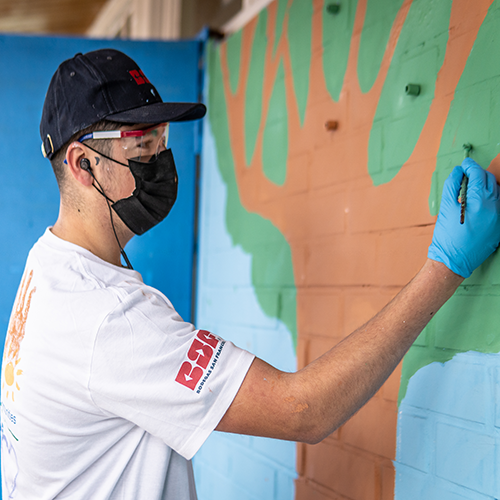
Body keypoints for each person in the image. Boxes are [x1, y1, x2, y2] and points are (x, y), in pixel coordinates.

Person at [1, 48, 499, 500]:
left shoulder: (48, 265)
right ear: (84, 164)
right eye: (142, 144)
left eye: (162, 138)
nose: (161, 159)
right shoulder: (106, 318)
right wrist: (444, 268)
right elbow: (304, 410)